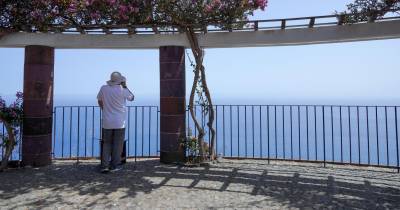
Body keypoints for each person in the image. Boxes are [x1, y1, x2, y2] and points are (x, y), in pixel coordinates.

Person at [97, 71, 134, 173]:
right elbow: (132, 98)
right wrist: (125, 86)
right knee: (118, 145)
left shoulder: (103, 88)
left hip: (107, 121)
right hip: (119, 122)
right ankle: (114, 166)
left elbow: (99, 100)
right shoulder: (123, 90)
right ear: (120, 81)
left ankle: (104, 166)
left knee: (107, 143)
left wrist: (105, 109)